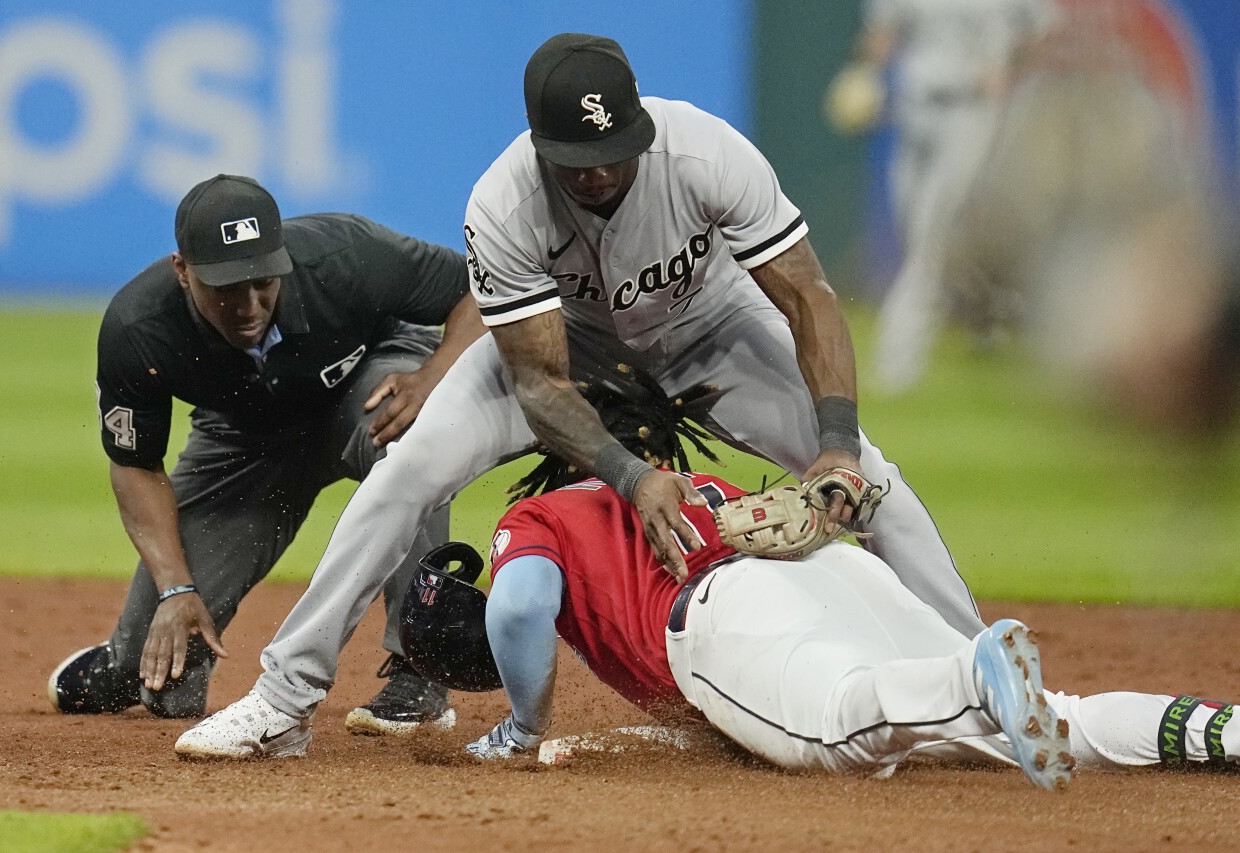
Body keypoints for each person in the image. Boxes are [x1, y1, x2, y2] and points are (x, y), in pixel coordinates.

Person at [172, 32, 985, 759]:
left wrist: (835, 438)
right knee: (405, 473)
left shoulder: (705, 154)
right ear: (538, 142)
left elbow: (808, 296)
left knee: (873, 479)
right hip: (565, 351)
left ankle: (982, 679)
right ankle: (285, 696)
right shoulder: (504, 204)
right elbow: (537, 383)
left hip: (709, 332)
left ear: (641, 124)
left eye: (614, 147)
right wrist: (632, 475)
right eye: (574, 153)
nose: (596, 168)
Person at [444, 370, 1237, 786]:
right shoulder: (691, 485)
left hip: (730, 615)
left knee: (841, 731)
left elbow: (518, 605)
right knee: (1051, 720)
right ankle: (1219, 730)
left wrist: (524, 725)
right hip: (833, 568)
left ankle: (972, 673)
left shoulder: (544, 515)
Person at [47, 174, 485, 726]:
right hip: (244, 439)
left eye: (263, 282)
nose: (249, 305)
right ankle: (123, 661)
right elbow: (136, 465)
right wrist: (175, 586)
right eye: (226, 287)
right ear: (183, 272)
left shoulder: (343, 255)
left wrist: (431, 376)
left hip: (366, 387)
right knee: (160, 682)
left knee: (411, 440)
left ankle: (419, 672)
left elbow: (479, 288)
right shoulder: (140, 328)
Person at [837, 0, 1055, 393]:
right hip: (912, 110)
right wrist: (867, 73)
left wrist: (1010, 69)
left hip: (970, 112)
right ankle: (987, 306)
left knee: (927, 239)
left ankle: (896, 365)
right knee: (917, 236)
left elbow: (1041, 31)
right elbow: (883, 35)